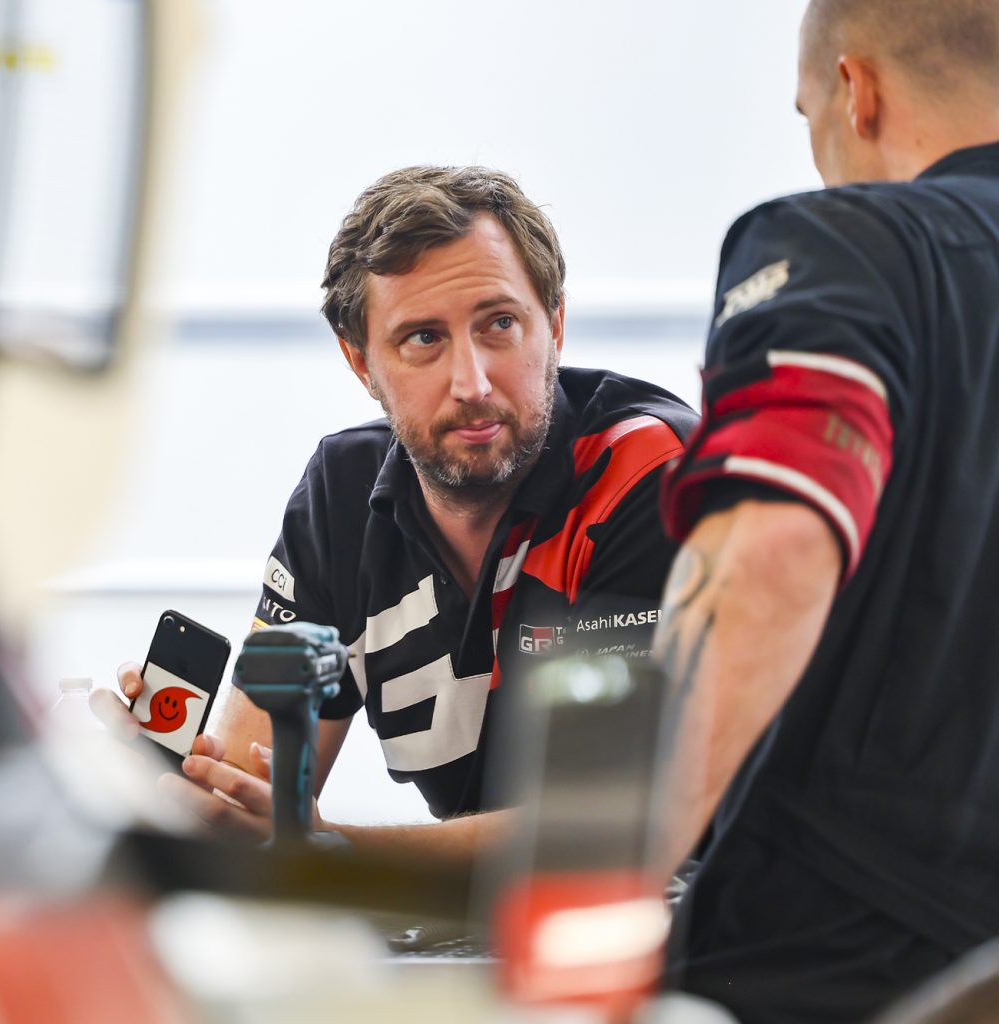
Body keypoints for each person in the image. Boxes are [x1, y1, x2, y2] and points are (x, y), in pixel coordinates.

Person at [98, 165, 696, 865]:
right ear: (361, 364)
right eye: (423, 339)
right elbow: (250, 796)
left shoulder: (651, 472)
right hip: (474, 919)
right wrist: (161, 794)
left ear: (555, 325)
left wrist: (334, 855)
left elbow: (607, 831)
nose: (471, 382)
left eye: (500, 324)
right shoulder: (341, 496)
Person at [653, 2, 999, 1020]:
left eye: (809, 118)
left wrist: (601, 865)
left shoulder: (852, 245)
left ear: (858, 91)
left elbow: (773, 551)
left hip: (851, 966)